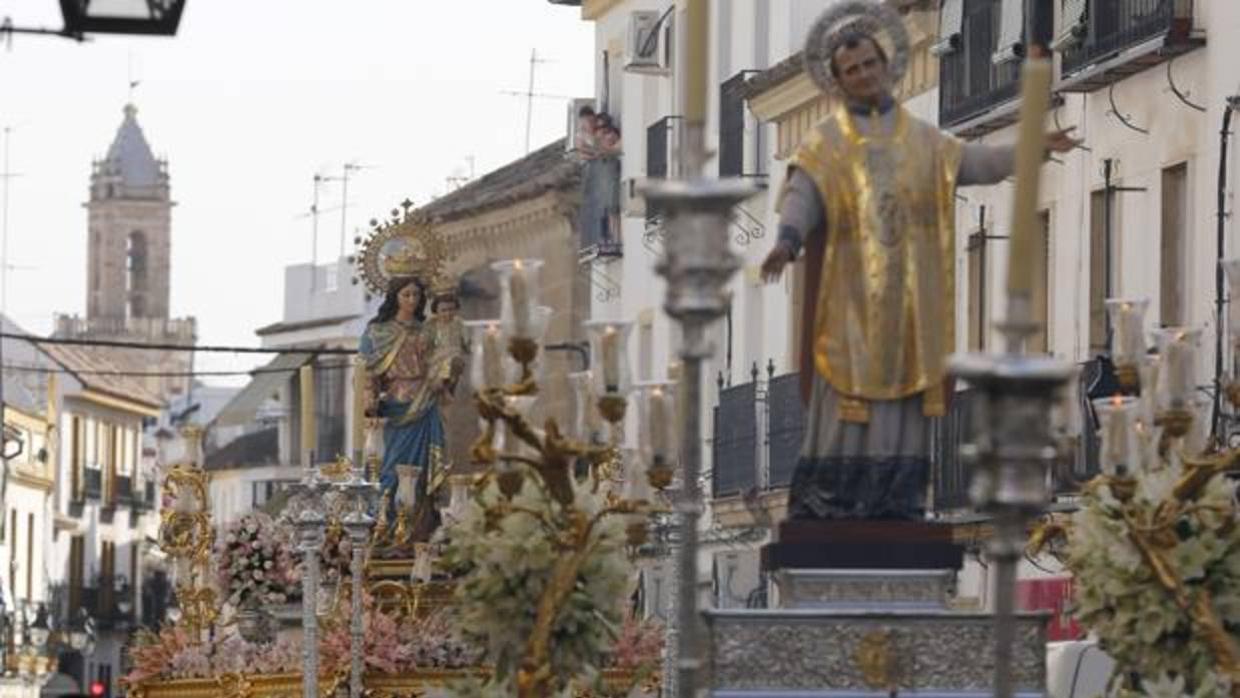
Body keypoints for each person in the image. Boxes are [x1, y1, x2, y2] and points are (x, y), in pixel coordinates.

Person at [760, 28, 1079, 521]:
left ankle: (895, 498)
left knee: (901, 406)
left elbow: (975, 162)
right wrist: (787, 241)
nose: (864, 75)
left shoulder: (922, 141)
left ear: (885, 66)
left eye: (869, 64)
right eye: (852, 70)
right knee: (848, 398)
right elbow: (804, 192)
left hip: (907, 304)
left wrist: (1033, 145)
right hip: (850, 303)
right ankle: (835, 497)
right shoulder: (827, 143)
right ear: (840, 82)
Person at [359, 276, 455, 538]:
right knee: (388, 470)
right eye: (406, 295)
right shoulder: (377, 331)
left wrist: (447, 372)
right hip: (392, 410)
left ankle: (417, 531)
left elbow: (444, 365)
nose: (412, 300)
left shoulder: (430, 329)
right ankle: (384, 530)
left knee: (420, 474)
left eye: (416, 295)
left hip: (425, 405)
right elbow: (366, 372)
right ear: (395, 297)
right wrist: (370, 402)